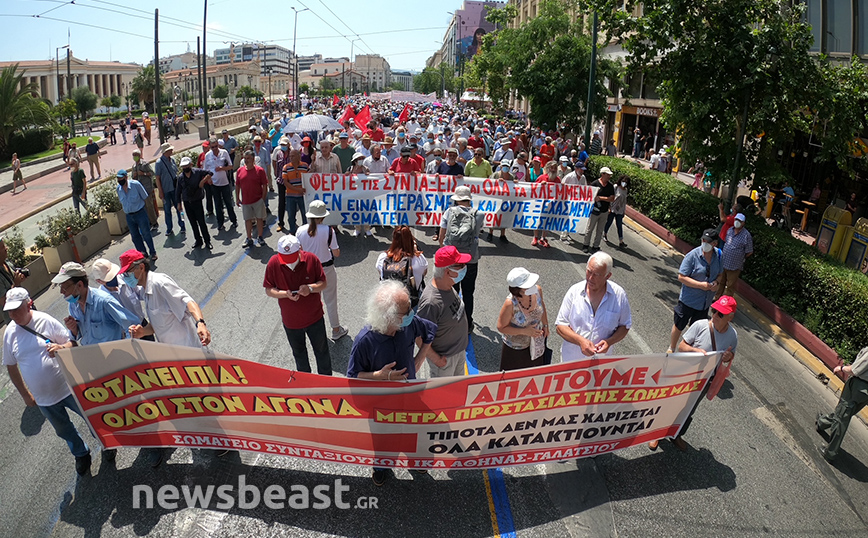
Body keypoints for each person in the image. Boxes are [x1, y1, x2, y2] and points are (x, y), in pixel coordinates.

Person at [121, 250, 213, 463]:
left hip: (189, 355)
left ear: (141, 267)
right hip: (173, 360)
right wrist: (142, 332)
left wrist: (200, 323)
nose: (126, 277)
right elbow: (159, 324)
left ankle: (222, 441)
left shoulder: (160, 283)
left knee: (206, 400)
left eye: (128, 272)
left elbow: (188, 301)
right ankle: (207, 436)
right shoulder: (145, 291)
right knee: (192, 402)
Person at [2, 287, 104, 475]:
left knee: (91, 417)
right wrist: (25, 394)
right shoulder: (10, 333)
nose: (13, 315)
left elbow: (72, 343)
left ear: (28, 304)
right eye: (9, 310)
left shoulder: (45, 320)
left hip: (69, 387)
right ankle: (81, 453)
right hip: (44, 398)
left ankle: (105, 443)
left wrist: (60, 348)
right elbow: (11, 366)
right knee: (63, 429)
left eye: (16, 309)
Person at [347, 280, 437, 486]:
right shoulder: (364, 341)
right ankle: (381, 467)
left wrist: (419, 358)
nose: (412, 314)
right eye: (406, 311)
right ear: (389, 316)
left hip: (410, 396)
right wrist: (380, 376)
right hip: (381, 405)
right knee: (382, 438)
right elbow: (353, 376)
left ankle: (414, 460)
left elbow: (429, 332)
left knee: (413, 430)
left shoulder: (407, 324)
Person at [653, 295, 738, 451]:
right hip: (687, 375)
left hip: (705, 380)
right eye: (714, 310)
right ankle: (656, 434)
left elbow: (731, 354)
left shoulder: (732, 335)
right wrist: (695, 351)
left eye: (720, 314)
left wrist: (728, 356)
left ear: (730, 317)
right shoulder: (700, 325)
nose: (715, 315)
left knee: (689, 408)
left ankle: (676, 434)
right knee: (673, 403)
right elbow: (682, 346)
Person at [263, 234, 332, 375]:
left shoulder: (312, 259)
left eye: (292, 257)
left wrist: (310, 288)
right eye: (285, 258)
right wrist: (285, 294)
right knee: (299, 354)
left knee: (322, 351)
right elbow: (269, 290)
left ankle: (326, 381)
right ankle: (305, 382)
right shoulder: (273, 263)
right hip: (291, 322)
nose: (289, 262)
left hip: (314, 318)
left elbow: (323, 283)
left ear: (300, 249)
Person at [556, 251, 632, 360]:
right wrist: (580, 341)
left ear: (608, 276)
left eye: (597, 275)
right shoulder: (574, 291)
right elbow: (560, 326)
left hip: (600, 362)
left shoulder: (619, 296)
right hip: (571, 360)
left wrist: (609, 342)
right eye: (589, 271)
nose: (590, 278)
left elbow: (624, 326)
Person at [52, 261, 139, 346]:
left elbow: (132, 324)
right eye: (60, 286)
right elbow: (81, 334)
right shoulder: (73, 305)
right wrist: (74, 329)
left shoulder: (104, 301)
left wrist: (126, 348)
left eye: (65, 287)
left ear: (79, 285)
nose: (61, 291)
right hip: (92, 353)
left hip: (113, 353)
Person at [297, 201, 347, 340]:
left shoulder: (300, 231)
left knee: (313, 301)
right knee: (330, 300)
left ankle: (314, 330)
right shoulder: (329, 230)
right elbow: (336, 253)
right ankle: (336, 329)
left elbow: (299, 252)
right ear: (323, 216)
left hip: (308, 270)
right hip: (326, 268)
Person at [417, 246, 470, 377]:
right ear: (448, 271)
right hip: (445, 361)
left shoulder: (448, 286)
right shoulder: (431, 302)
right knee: (445, 391)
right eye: (460, 266)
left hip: (458, 353)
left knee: (458, 387)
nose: (464, 268)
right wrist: (437, 360)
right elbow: (419, 337)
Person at [667, 229, 723, 353]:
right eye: (703, 240)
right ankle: (672, 348)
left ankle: (689, 352)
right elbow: (681, 277)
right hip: (689, 300)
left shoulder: (719, 256)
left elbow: (720, 274)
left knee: (697, 331)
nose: (704, 243)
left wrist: (716, 283)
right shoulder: (692, 256)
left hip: (704, 304)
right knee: (679, 324)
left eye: (708, 241)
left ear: (714, 243)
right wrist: (700, 285)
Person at [438, 186, 484, 332]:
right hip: (470, 258)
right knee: (468, 292)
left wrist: (444, 249)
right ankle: (468, 323)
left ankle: (451, 321)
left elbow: (441, 236)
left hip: (452, 258)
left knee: (451, 290)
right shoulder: (479, 214)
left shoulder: (449, 212)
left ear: (457, 199)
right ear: (469, 199)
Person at [817, 346, 868, 462]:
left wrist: (841, 368)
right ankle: (822, 422)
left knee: (842, 417)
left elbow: (854, 370)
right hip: (865, 393)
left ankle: (830, 452)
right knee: (844, 413)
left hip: (857, 386)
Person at [497, 267, 550, 371]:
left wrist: (545, 325)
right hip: (516, 349)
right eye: (528, 286)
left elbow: (542, 305)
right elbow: (501, 327)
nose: (533, 286)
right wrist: (525, 331)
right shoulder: (510, 304)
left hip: (536, 344)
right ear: (518, 290)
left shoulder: (537, 290)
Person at [376, 226, 428, 310]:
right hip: (410, 301)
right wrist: (415, 250)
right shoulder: (419, 259)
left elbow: (381, 274)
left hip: (389, 301)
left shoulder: (382, 258)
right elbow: (424, 273)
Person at [116, 169, 158, 260]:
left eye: (121, 178)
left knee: (146, 234)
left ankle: (153, 253)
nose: (119, 181)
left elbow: (145, 197)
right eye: (118, 179)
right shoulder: (118, 189)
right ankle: (142, 255)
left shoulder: (135, 185)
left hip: (140, 213)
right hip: (129, 216)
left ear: (126, 177)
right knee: (135, 237)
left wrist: (149, 213)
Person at [177, 157, 213, 250]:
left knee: (201, 222)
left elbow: (210, 173)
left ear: (191, 165)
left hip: (197, 201)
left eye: (187, 166)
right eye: (183, 166)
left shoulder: (197, 172)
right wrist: (179, 204)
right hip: (187, 202)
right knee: (193, 223)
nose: (185, 168)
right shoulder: (181, 178)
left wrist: (203, 181)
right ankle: (198, 240)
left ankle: (207, 241)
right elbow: (178, 191)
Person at [203, 138, 238, 231]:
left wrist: (222, 168)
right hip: (214, 184)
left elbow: (231, 166)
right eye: (212, 147)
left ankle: (234, 220)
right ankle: (220, 223)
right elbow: (205, 170)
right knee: (217, 204)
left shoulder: (224, 153)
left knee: (228, 203)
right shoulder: (208, 155)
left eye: (216, 146)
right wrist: (209, 179)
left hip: (225, 182)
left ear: (218, 145)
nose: (214, 148)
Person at [235, 150, 268, 248]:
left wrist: (263, 198)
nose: (246, 160)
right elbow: (237, 185)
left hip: (257, 200)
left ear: (253, 159)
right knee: (247, 220)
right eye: (245, 158)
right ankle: (249, 238)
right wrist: (237, 198)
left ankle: (260, 237)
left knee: (259, 219)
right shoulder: (240, 171)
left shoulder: (260, 170)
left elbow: (264, 185)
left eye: (248, 158)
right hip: (246, 201)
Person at [716, 213, 753, 299]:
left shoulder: (746, 235)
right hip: (724, 262)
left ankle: (726, 302)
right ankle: (717, 298)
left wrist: (740, 257)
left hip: (735, 266)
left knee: (730, 285)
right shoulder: (730, 230)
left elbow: (749, 251)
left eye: (739, 221)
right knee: (721, 282)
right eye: (736, 220)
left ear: (743, 223)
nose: (737, 222)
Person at [582, 167, 616, 253]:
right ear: (602, 174)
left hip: (604, 211)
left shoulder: (610, 186)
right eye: (607, 175)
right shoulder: (595, 184)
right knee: (590, 229)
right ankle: (586, 244)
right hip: (594, 211)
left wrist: (600, 198)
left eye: (609, 175)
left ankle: (596, 246)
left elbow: (612, 198)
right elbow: (589, 196)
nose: (609, 177)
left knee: (600, 230)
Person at [0, 234, 28, 323]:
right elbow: (4, 302)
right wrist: (16, 284)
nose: (6, 248)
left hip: (26, 308)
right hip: (16, 319)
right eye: (2, 247)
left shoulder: (6, 262)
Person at [282, 148, 309, 235]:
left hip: (302, 195)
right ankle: (292, 231)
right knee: (291, 215)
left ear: (298, 156)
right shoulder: (286, 167)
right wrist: (298, 189)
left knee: (305, 214)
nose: (291, 158)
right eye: (290, 156)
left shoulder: (305, 166)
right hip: (290, 195)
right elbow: (286, 182)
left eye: (293, 156)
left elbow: (309, 179)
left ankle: (305, 231)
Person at [131, 149, 159, 229]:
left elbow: (152, 173)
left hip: (147, 189)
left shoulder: (145, 164)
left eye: (136, 155)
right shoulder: (134, 166)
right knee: (143, 207)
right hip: (139, 190)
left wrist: (144, 173)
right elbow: (132, 178)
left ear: (139, 156)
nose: (134, 157)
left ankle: (154, 222)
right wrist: (134, 176)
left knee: (149, 206)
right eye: (133, 155)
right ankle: (148, 222)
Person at [603, 175, 629, 248]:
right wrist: (609, 207)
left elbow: (624, 202)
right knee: (609, 222)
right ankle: (605, 234)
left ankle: (621, 241)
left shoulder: (625, 190)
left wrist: (623, 211)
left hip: (620, 210)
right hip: (613, 208)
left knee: (619, 225)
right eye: (623, 181)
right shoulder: (615, 187)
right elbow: (611, 197)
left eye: (626, 182)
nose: (624, 183)